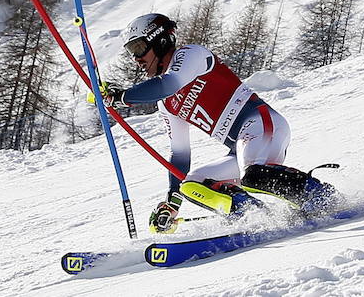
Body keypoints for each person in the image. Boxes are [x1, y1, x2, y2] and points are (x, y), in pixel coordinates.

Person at [99, 12, 333, 232]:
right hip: (239, 148)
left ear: (159, 41)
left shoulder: (191, 55)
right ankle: (257, 217)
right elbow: (180, 155)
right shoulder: (167, 104)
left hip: (260, 124)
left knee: (252, 175)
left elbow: (169, 83)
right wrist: (172, 202)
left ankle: (322, 197)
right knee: (191, 185)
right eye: (132, 52)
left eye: (139, 48)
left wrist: (122, 97)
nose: (137, 59)